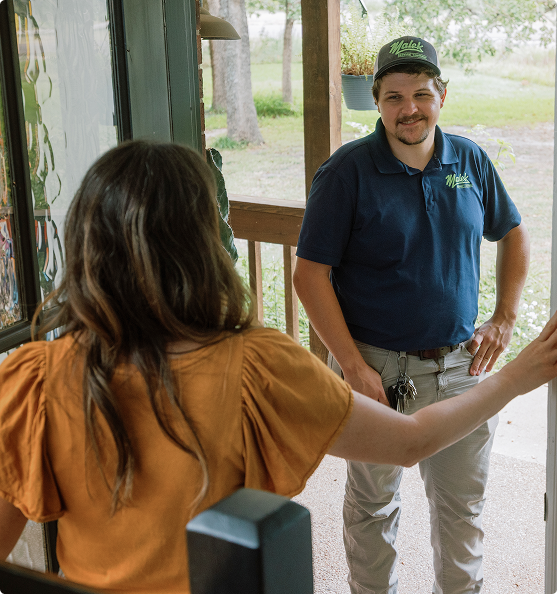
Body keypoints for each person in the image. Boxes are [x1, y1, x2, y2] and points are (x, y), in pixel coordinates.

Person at [0, 140, 547, 594]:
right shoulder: (257, 365)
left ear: (87, 242)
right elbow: (410, 442)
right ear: (204, 242)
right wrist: (517, 377)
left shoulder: (33, 380)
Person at [294, 36, 531, 593]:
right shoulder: (346, 172)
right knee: (373, 506)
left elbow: (514, 233)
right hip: (375, 372)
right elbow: (309, 275)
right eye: (394, 96)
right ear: (376, 101)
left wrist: (504, 317)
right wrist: (353, 367)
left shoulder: (469, 160)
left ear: (442, 96)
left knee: (462, 510)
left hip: (460, 369)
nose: (410, 109)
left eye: (421, 94)